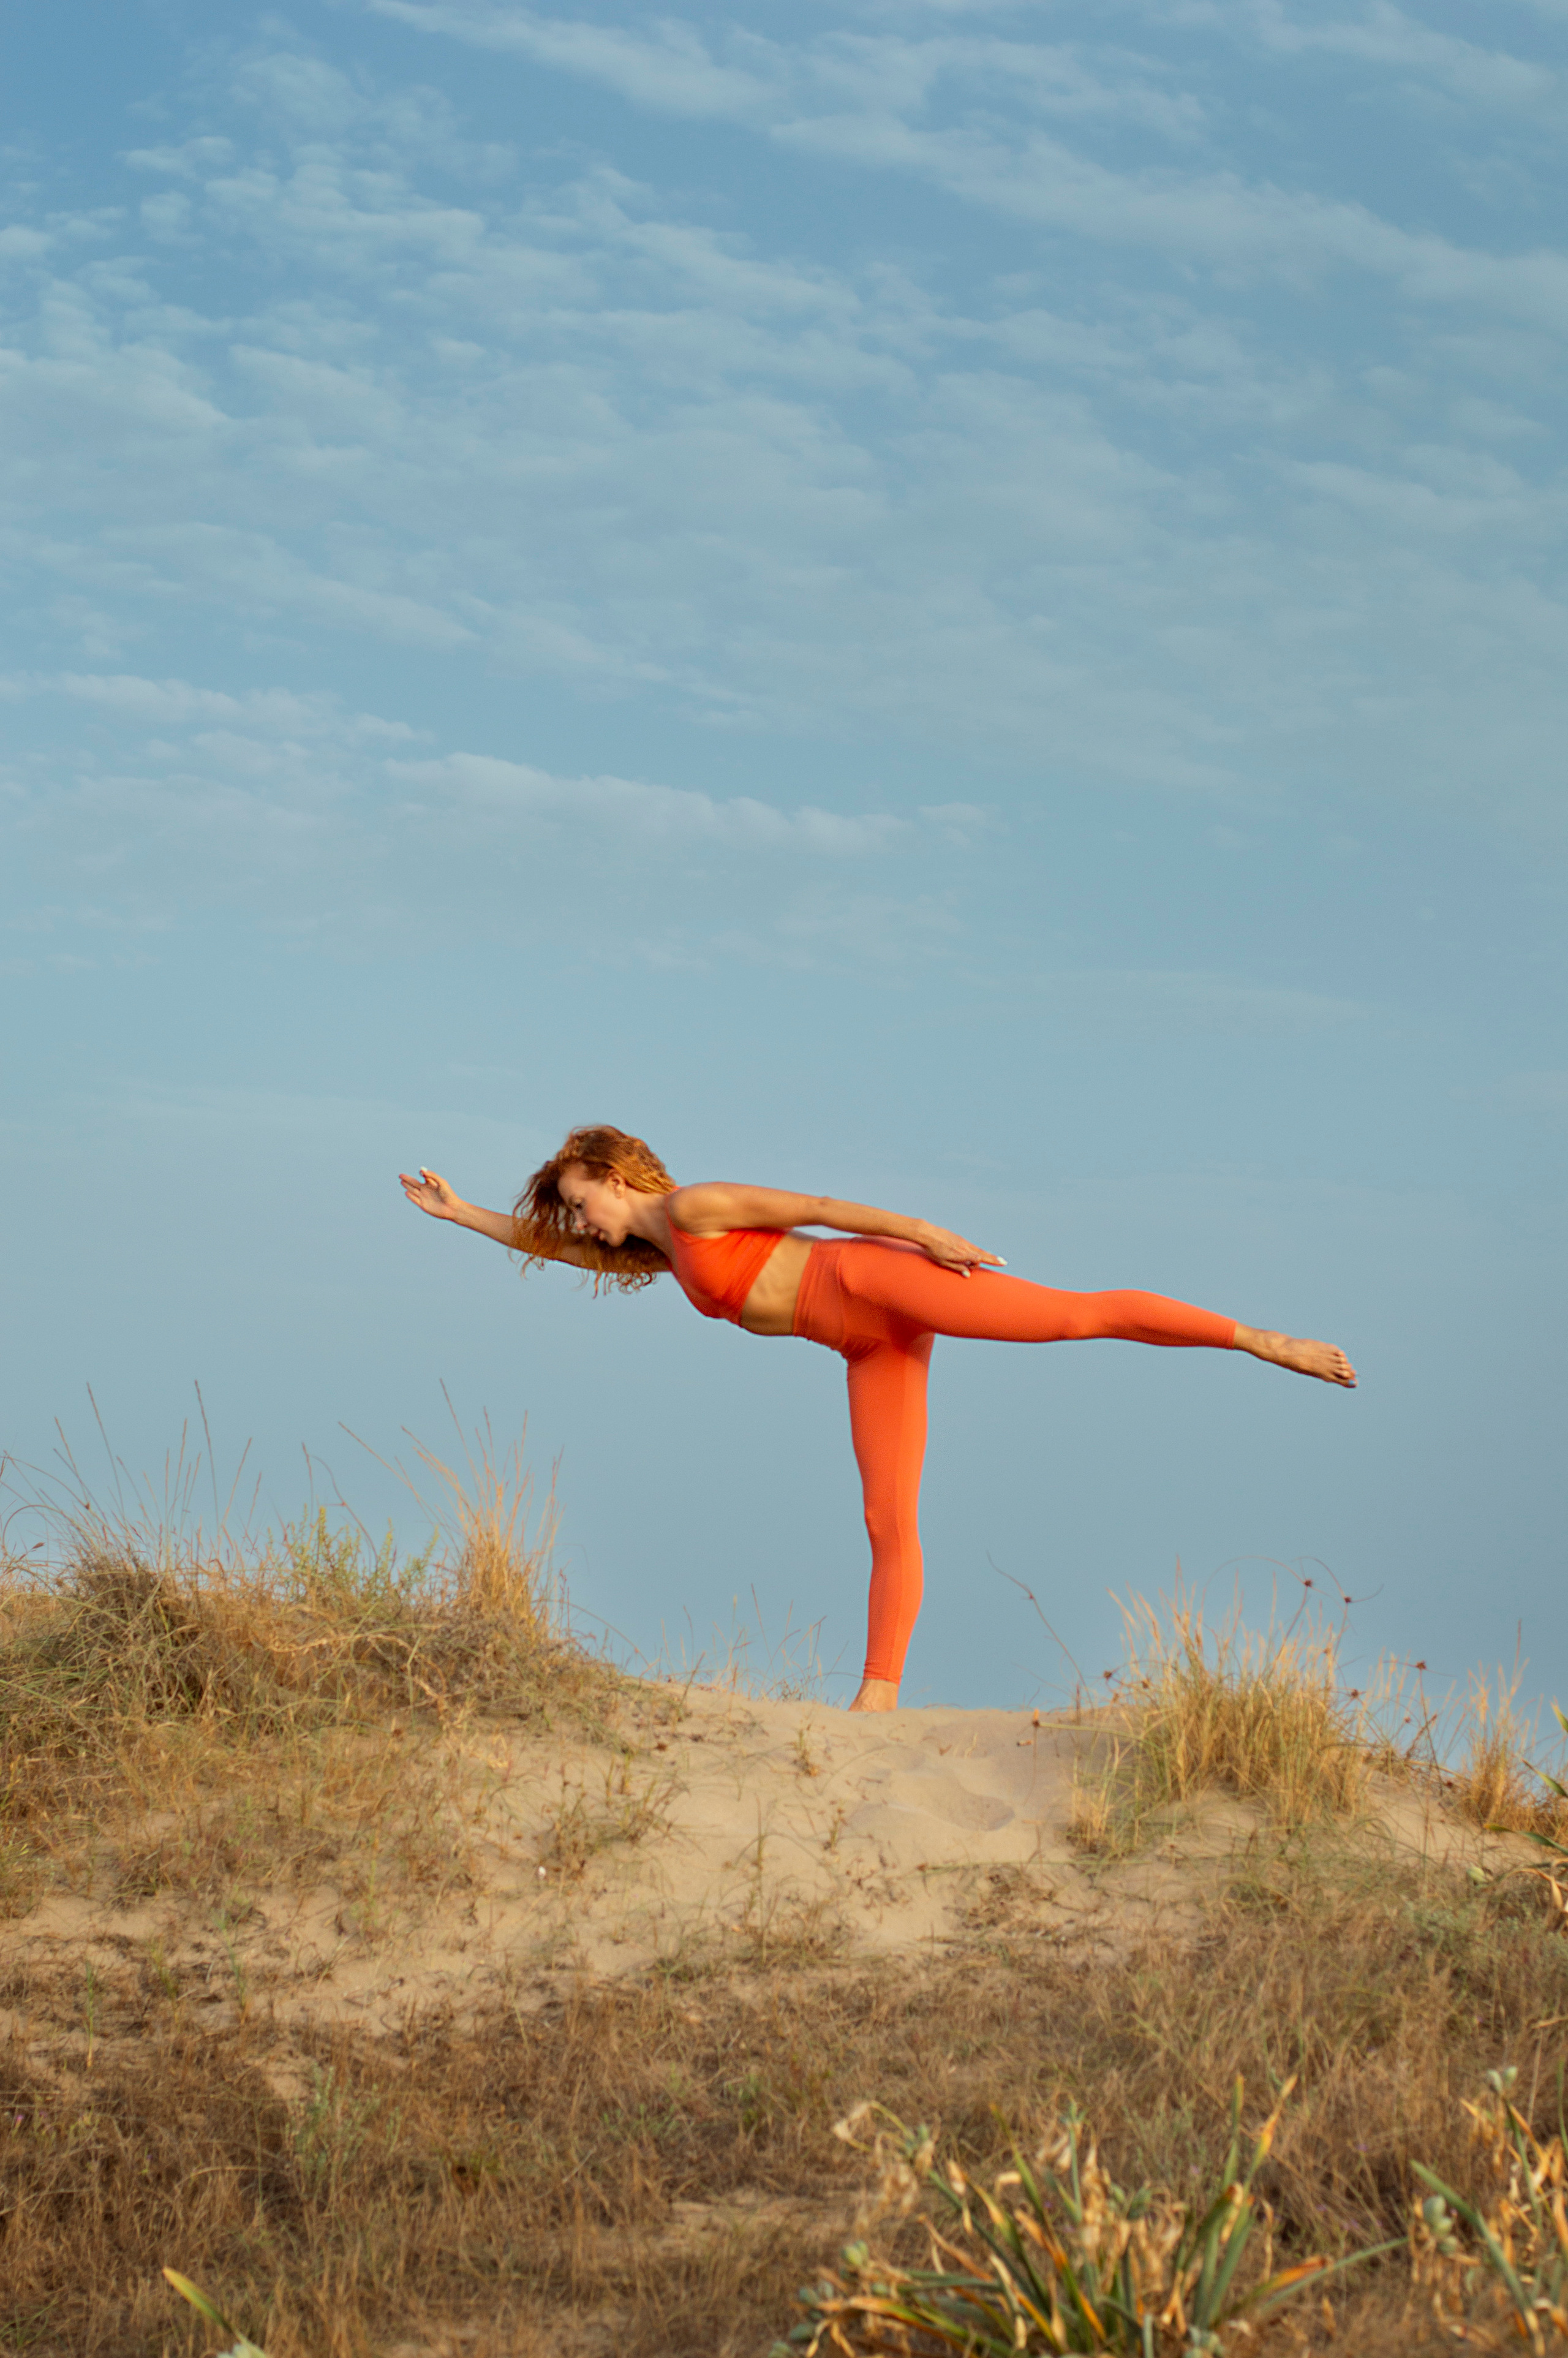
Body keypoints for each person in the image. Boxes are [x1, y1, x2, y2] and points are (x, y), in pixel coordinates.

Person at [400, 1125, 1355, 1714]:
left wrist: (921, 1230)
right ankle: (879, 1698)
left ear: (613, 1174)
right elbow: (554, 1254)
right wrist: (461, 1215)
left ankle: (1261, 1339)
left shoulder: (697, 1207)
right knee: (886, 1519)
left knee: (1074, 1314)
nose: (581, 1222)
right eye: (571, 1211)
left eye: (581, 1202)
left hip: (870, 1275)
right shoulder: (658, 1255)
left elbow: (814, 1204)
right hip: (866, 1345)